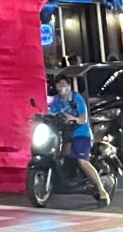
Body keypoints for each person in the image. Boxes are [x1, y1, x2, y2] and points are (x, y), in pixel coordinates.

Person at [47, 69, 110, 205]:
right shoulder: (56, 100)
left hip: (81, 134)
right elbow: (48, 109)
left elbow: (83, 118)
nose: (61, 87)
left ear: (69, 86)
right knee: (59, 157)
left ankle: (102, 191)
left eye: (64, 84)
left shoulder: (76, 98)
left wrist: (74, 118)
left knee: (82, 161)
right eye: (59, 85)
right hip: (65, 134)